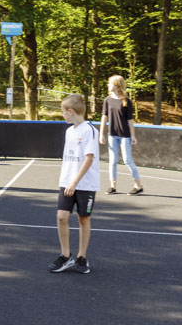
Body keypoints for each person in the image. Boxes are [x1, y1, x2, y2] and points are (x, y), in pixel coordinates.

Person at [49, 93, 99, 275]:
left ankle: (82, 257)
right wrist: (67, 181)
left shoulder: (90, 131)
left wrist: (75, 181)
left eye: (63, 112)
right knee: (62, 217)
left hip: (85, 184)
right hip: (66, 182)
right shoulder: (69, 131)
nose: (63, 115)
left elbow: (89, 158)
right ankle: (65, 255)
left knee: (83, 219)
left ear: (70, 111)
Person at [99, 75, 143, 195]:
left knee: (127, 160)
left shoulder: (126, 101)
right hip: (112, 135)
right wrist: (101, 133)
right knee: (112, 161)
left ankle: (138, 185)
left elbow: (130, 120)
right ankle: (113, 186)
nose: (108, 85)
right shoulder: (107, 100)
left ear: (117, 86)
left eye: (110, 83)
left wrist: (133, 136)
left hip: (125, 136)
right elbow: (104, 117)